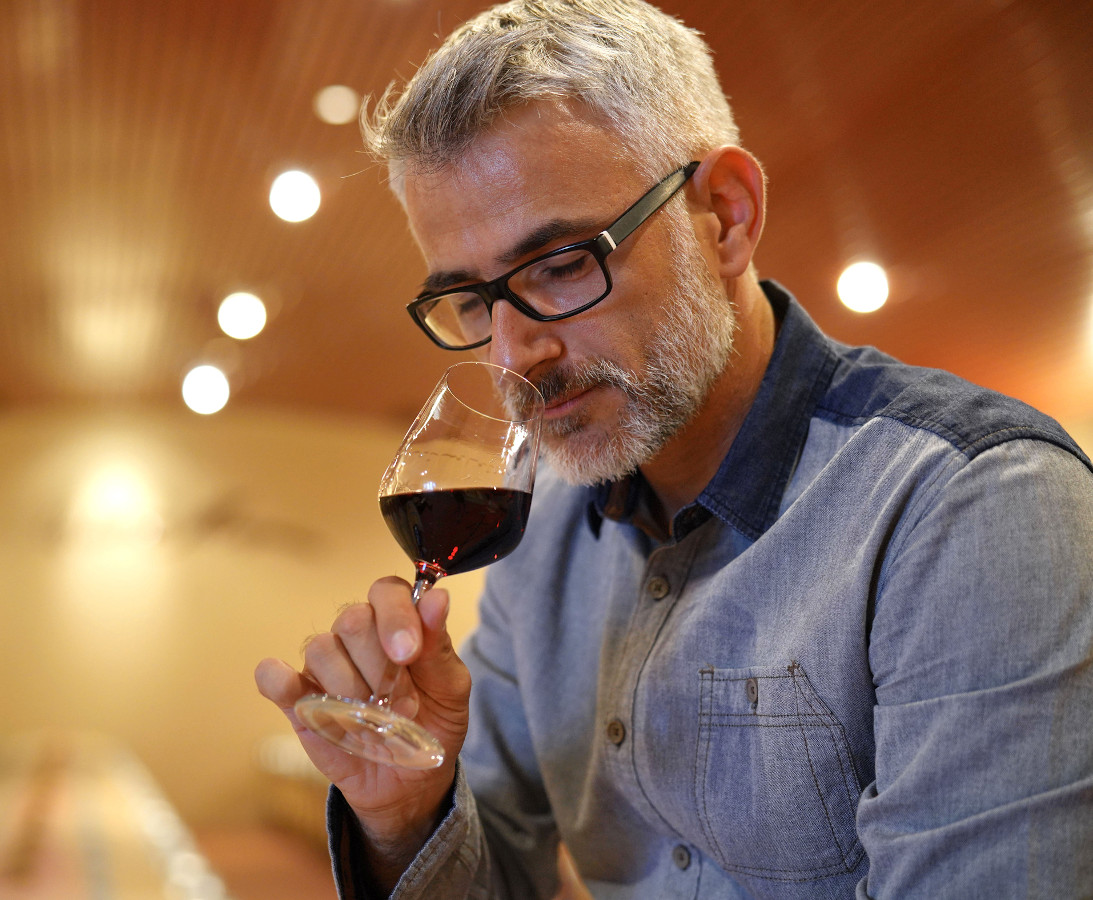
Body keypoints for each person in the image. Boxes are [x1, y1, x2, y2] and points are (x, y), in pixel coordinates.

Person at [255, 1, 1093, 896]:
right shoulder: (540, 528)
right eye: (469, 302)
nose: (510, 357)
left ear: (726, 215)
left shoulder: (972, 505)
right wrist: (407, 816)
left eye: (562, 264)